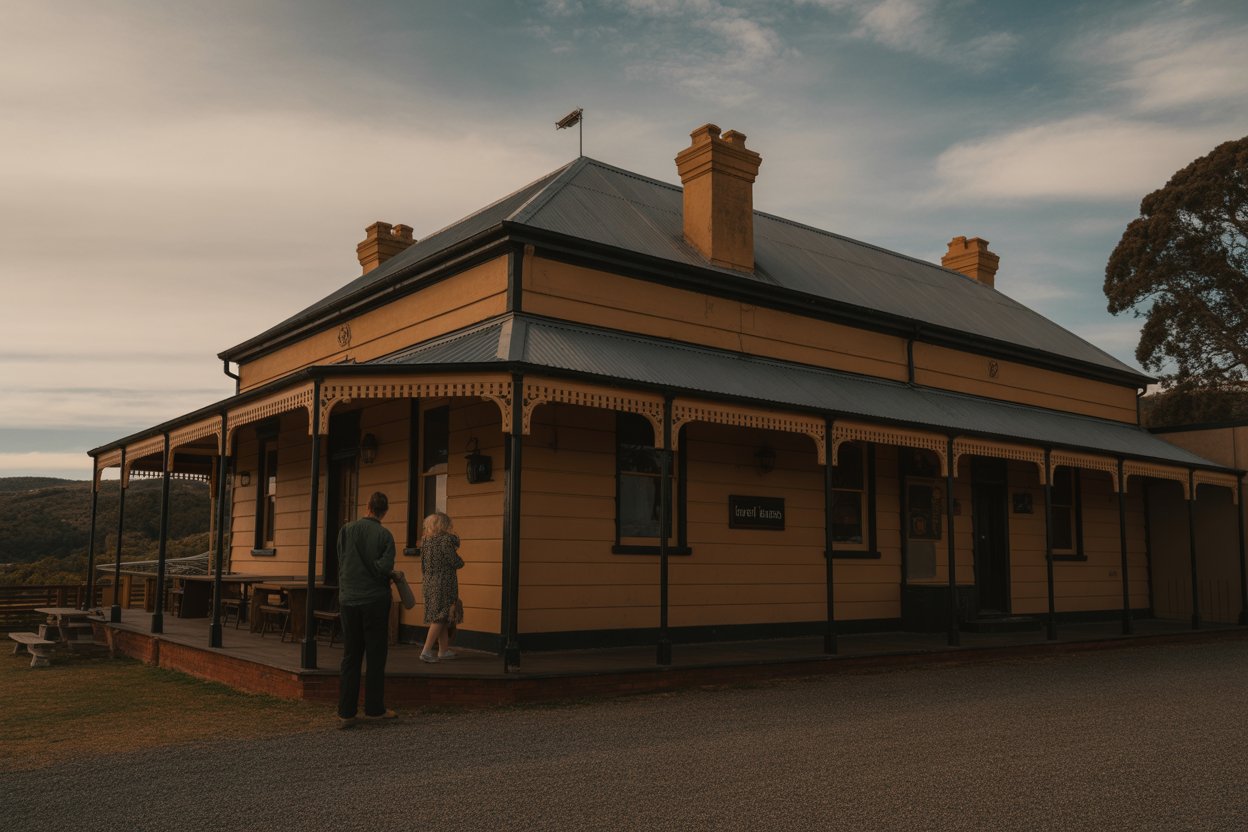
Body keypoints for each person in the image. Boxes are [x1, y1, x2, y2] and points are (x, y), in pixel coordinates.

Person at [335, 491, 397, 728]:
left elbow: (342, 559)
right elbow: (384, 567)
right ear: (384, 511)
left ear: (368, 507)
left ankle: (346, 711)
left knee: (350, 656)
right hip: (375, 600)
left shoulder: (346, 531)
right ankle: (374, 709)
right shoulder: (385, 535)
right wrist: (381, 571)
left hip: (348, 599)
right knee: (376, 655)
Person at [419, 511, 464, 663]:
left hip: (428, 581)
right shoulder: (445, 540)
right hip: (443, 582)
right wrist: (460, 560)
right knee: (440, 616)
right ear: (444, 525)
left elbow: (423, 565)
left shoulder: (425, 541)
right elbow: (455, 562)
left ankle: (443, 650)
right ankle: (426, 651)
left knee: (441, 616)